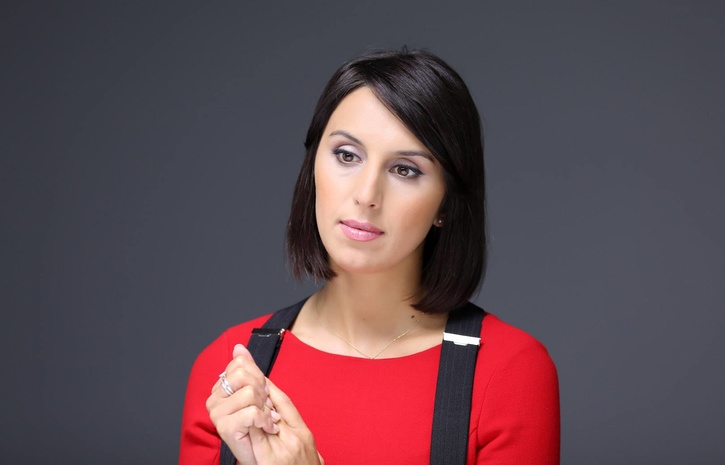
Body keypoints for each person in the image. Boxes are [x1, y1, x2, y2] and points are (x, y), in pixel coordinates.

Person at [179, 49, 560, 465]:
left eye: (405, 169)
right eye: (347, 155)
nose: (366, 194)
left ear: (446, 204)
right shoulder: (232, 374)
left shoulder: (510, 372)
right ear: (312, 168)